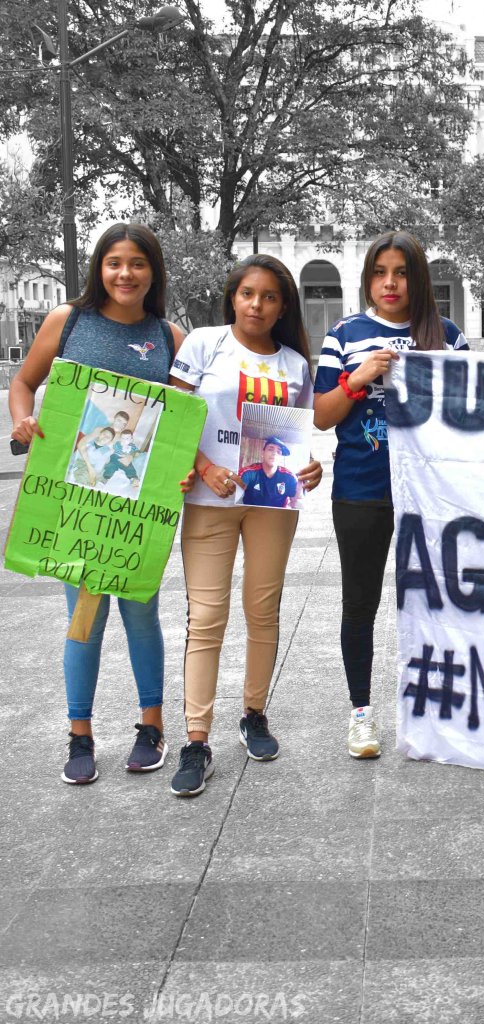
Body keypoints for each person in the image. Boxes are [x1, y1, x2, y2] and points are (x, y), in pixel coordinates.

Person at [8, 223, 187, 784]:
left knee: (141, 614)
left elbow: (185, 423)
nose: (125, 274)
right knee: (83, 618)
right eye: (114, 262)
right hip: (76, 501)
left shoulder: (169, 337)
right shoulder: (68, 321)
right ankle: (79, 734)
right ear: (99, 268)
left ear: (153, 272)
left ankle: (151, 728)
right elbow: (23, 383)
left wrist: (187, 468)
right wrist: (23, 420)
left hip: (137, 508)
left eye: (137, 263)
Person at [168, 254, 322, 797]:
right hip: (208, 500)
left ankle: (254, 714)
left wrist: (309, 468)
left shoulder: (295, 366)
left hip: (269, 504)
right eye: (247, 293)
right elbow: (172, 416)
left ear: (283, 307)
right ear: (232, 297)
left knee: (263, 608)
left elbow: (296, 438)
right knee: (207, 617)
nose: (256, 304)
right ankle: (196, 739)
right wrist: (204, 466)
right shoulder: (203, 344)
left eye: (269, 297)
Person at [313, 230, 468, 759]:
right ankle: (361, 714)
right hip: (362, 489)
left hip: (435, 494)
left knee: (442, 599)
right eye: (380, 273)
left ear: (417, 278)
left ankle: (444, 705)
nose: (390, 283)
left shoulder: (447, 336)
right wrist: (358, 377)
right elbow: (322, 414)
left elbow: (472, 413)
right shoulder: (345, 334)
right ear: (368, 279)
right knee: (360, 604)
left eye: (401, 272)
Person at [240, 436, 298, 508]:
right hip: (250, 513)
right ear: (263, 453)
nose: (274, 453)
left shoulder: (289, 477)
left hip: (278, 514)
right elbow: (235, 495)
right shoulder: (248, 473)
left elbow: (296, 502)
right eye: (270, 449)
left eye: (278, 452)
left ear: (281, 458)